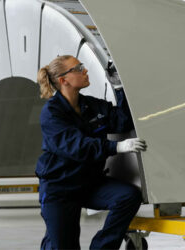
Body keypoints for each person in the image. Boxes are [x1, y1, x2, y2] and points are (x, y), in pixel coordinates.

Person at [36, 55, 147, 250]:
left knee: (128, 196)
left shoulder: (91, 105)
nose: (85, 70)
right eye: (78, 68)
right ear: (64, 80)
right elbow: (77, 147)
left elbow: (122, 121)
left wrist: (120, 87)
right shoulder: (52, 113)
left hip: (89, 184)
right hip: (59, 189)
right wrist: (117, 147)